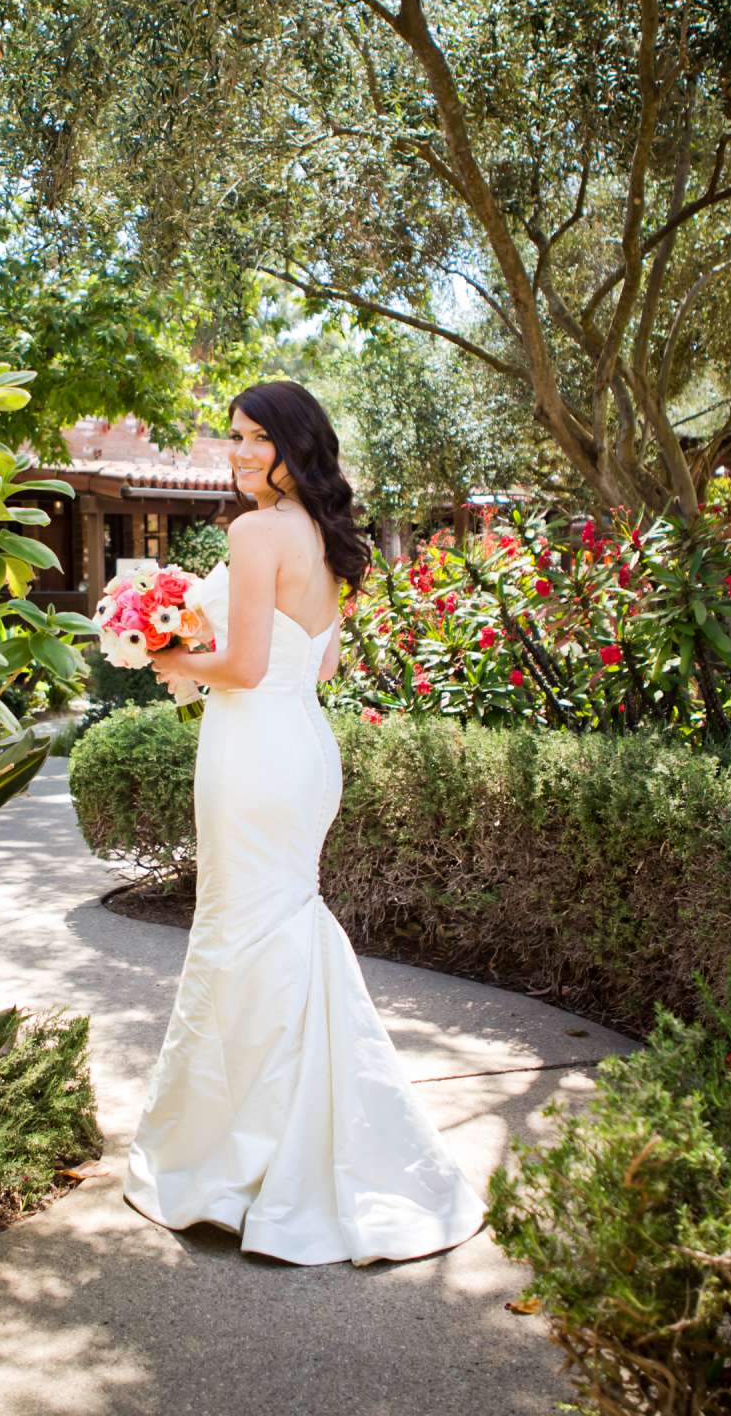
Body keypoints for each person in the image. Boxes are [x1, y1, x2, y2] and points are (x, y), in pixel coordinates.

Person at [131, 380, 486, 1266]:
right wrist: (194, 654)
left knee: (242, 929)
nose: (242, 453)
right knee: (275, 926)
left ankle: (238, 1158)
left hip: (253, 756)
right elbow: (311, 664)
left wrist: (169, 654)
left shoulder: (254, 533)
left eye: (258, 439)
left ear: (297, 444)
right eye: (235, 438)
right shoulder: (328, 540)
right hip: (299, 750)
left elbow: (246, 666)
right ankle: (281, 1138)